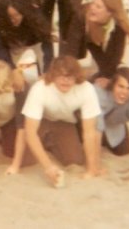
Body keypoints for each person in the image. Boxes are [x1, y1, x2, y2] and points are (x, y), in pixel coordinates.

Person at [22, 56, 100, 187]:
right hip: (41, 120)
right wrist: (48, 167)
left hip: (65, 122)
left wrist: (92, 169)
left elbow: (89, 131)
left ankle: (51, 143)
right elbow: (30, 132)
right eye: (61, 76)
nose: (66, 80)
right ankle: (45, 142)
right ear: (52, 75)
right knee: (26, 160)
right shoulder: (40, 88)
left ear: (77, 76)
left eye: (70, 76)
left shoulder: (87, 89)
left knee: (75, 160)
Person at [74, 0, 129, 87]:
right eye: (93, 3)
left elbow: (115, 57)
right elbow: (98, 56)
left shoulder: (119, 27)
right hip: (95, 57)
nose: (92, 8)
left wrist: (107, 77)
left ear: (110, 12)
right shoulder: (84, 19)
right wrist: (102, 76)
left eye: (98, 7)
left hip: (115, 59)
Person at [0, 0, 53, 72]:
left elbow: (47, 46)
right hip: (12, 45)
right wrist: (12, 70)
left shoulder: (35, 17)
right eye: (9, 16)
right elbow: (0, 51)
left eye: (17, 15)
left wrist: (47, 71)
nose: (13, 20)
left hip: (33, 44)